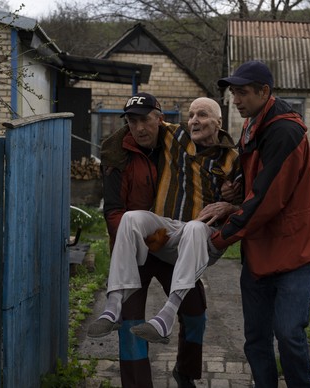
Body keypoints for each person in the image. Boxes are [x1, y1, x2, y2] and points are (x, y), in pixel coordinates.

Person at [197, 61, 310, 388]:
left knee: (288, 333)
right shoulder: (253, 124)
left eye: (242, 93)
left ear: (264, 92)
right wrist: (235, 190)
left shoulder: (285, 131)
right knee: (255, 338)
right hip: (260, 250)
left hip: (294, 250)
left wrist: (219, 239)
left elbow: (267, 200)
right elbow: (253, 175)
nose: (235, 100)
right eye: (233, 93)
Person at [96, 97, 241, 346]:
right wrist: (109, 152)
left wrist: (232, 203)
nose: (195, 120)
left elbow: (253, 201)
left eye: (203, 115)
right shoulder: (174, 136)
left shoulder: (233, 159)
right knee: (131, 219)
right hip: (167, 232)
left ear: (219, 122)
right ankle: (113, 305)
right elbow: (137, 126)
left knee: (195, 229)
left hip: (202, 240)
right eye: (192, 115)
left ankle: (167, 316)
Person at [88, 93, 210, 388]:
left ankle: (185, 371)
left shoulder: (180, 146)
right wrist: (143, 241)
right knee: (129, 323)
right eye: (132, 121)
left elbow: (211, 169)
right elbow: (114, 212)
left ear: (159, 117)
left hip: (170, 246)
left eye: (145, 120)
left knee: (195, 309)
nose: (139, 128)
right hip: (134, 250)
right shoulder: (117, 153)